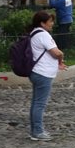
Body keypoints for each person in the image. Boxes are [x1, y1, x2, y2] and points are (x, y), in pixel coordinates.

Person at [26, 10, 66, 141]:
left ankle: (34, 130)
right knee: (39, 104)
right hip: (43, 72)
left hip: (36, 71)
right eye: (50, 21)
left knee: (36, 102)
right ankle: (37, 131)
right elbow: (56, 52)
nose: (52, 24)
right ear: (42, 23)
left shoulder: (34, 33)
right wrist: (61, 59)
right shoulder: (43, 35)